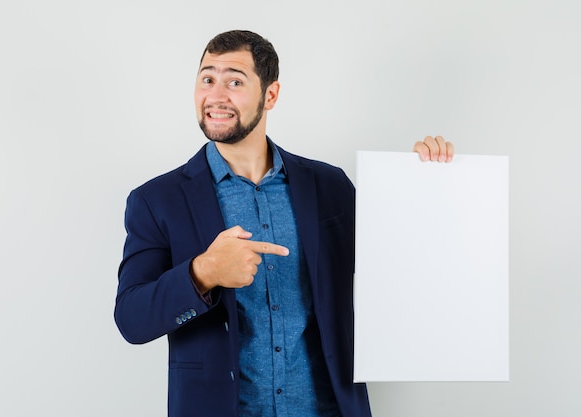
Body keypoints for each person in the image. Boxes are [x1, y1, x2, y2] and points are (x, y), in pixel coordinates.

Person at [114, 30, 454, 417]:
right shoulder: (157, 200)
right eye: (207, 79)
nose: (216, 95)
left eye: (235, 81)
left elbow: (398, 275)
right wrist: (204, 272)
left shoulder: (330, 187)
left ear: (270, 95)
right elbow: (131, 319)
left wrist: (424, 185)